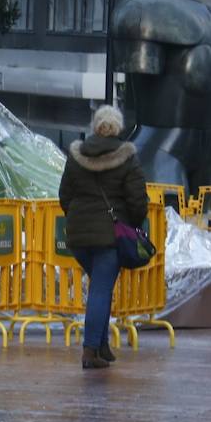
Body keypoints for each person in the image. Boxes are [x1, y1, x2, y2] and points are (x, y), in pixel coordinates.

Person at [58, 105, 148, 370]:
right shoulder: (127, 157)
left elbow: (64, 194)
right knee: (100, 290)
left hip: (78, 237)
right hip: (110, 236)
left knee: (101, 287)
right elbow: (137, 200)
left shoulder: (76, 155)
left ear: (96, 126)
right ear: (117, 128)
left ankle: (101, 344)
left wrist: (76, 218)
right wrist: (130, 224)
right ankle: (89, 351)